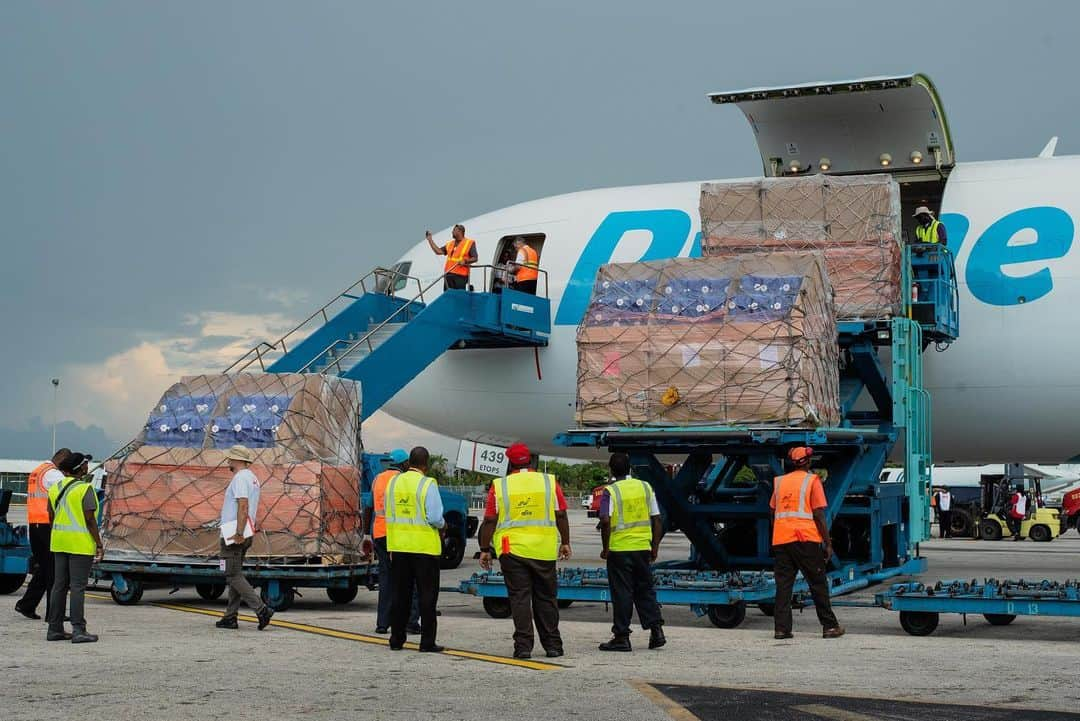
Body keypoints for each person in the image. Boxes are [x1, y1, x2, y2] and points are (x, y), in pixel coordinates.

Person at [478, 442, 571, 660]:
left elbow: (490, 519)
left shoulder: (500, 486)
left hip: (513, 550)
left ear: (509, 463)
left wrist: (484, 549)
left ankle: (523, 647)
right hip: (544, 550)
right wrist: (565, 542)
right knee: (546, 598)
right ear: (530, 460)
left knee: (520, 598)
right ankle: (553, 646)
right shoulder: (549, 482)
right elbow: (561, 515)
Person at [770, 447, 845, 640]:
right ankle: (829, 626)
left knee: (784, 586)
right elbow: (819, 515)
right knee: (817, 583)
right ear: (808, 462)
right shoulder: (812, 481)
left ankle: (782, 629)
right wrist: (827, 543)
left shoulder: (779, 482)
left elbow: (772, 512)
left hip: (782, 539)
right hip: (805, 539)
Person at [597, 452, 665, 652]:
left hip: (620, 550)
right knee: (645, 590)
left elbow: (605, 520)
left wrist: (605, 548)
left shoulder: (610, 491)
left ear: (611, 469)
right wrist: (654, 547)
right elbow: (657, 519)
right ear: (630, 468)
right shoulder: (645, 487)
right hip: (642, 548)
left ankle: (622, 636)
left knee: (622, 593)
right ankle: (657, 631)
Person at [385, 446, 445, 652]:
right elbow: (435, 517)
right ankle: (427, 642)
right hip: (425, 549)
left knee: (400, 595)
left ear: (409, 462)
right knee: (427, 596)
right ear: (425, 465)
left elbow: (388, 512)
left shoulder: (393, 482)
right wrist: (444, 526)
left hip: (399, 546)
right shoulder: (428, 483)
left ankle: (396, 639)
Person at [362, 448, 420, 635]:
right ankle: (410, 621)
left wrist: (366, 535)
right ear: (404, 464)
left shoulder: (378, 479)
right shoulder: (403, 480)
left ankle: (382, 623)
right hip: (399, 536)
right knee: (409, 579)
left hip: (379, 534)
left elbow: (369, 508)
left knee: (386, 579)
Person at [215, 445, 273, 631]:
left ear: (238, 460)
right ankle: (230, 617)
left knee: (231, 574)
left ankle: (261, 609)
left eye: (231, 458)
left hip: (235, 533)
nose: (228, 461)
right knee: (236, 574)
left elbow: (243, 506)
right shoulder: (253, 478)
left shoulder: (240, 478)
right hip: (246, 530)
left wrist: (238, 533)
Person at [45, 452, 102, 643]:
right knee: (77, 587)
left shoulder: (55, 488)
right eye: (86, 464)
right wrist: (99, 544)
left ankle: (54, 629)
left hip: (59, 542)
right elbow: (90, 520)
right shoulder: (85, 489)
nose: (88, 466)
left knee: (59, 586)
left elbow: (51, 517)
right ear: (81, 468)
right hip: (79, 544)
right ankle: (79, 630)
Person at [16, 448, 70, 620]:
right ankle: (53, 614)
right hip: (47, 525)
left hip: (35, 524)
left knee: (43, 568)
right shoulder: (53, 474)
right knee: (54, 570)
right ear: (61, 460)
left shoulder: (37, 471)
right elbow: (69, 491)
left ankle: (26, 605)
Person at [426, 224, 477, 290]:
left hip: (460, 276)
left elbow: (475, 258)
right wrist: (430, 240)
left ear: (460, 231)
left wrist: (465, 261)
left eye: (454, 230)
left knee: (458, 297)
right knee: (447, 297)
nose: (452, 232)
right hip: (448, 275)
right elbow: (438, 251)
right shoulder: (450, 244)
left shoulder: (469, 243)